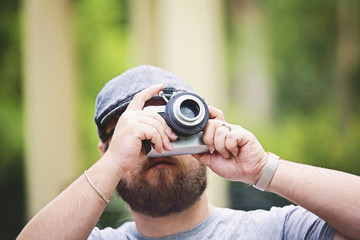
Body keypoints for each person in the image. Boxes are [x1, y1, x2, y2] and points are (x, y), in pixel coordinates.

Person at [18, 65, 360, 240]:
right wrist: (110, 166)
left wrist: (262, 169)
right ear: (107, 150)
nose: (158, 144)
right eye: (135, 133)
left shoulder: (276, 230)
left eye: (172, 124)